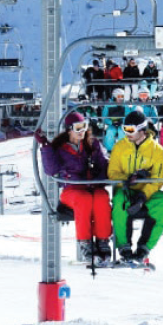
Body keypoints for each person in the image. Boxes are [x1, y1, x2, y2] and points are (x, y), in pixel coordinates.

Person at [40, 111, 113, 264]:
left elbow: (104, 165)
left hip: (92, 187)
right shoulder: (60, 148)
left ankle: (103, 240)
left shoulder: (93, 145)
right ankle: (85, 243)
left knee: (102, 197)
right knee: (84, 199)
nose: (82, 131)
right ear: (69, 129)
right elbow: (51, 170)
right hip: (71, 191)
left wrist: (97, 180)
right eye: (78, 128)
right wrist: (46, 146)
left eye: (84, 127)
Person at [107, 110, 163, 261]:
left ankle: (145, 247)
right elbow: (113, 172)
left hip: (146, 192)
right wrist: (127, 179)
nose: (127, 133)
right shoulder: (120, 147)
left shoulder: (156, 150)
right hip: (125, 190)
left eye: (130, 130)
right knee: (120, 202)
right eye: (125, 129)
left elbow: (157, 179)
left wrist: (143, 196)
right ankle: (124, 246)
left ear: (142, 129)